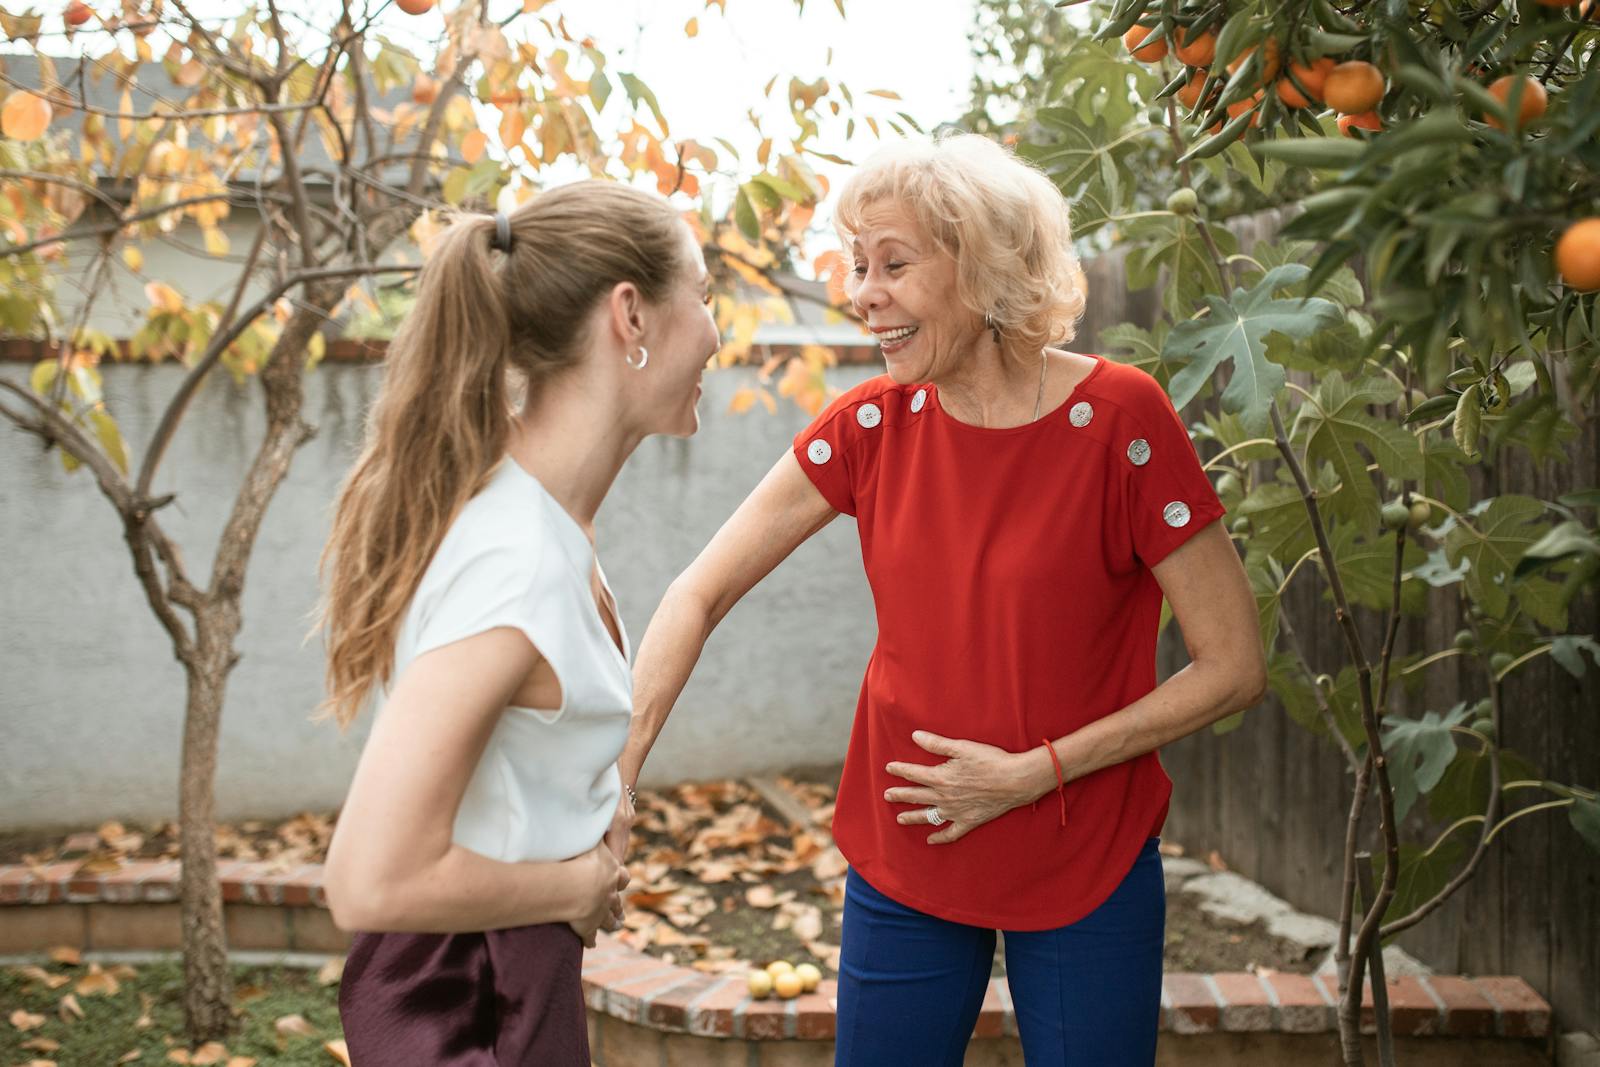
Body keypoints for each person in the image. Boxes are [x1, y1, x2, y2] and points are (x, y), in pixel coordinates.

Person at [614, 133, 1267, 1066]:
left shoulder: (1121, 422)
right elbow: (697, 590)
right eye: (857, 265)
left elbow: (1234, 666)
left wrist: (1030, 772)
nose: (862, 293)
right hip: (908, 852)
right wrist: (623, 775)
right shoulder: (869, 428)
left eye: (893, 264)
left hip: (1088, 855)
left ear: (985, 264)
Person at [315, 180, 720, 1066]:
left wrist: (602, 810)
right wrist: (576, 881)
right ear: (632, 316)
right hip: (464, 1004)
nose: (717, 333)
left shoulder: (540, 513)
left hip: (511, 975)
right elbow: (366, 878)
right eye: (704, 293)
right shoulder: (517, 560)